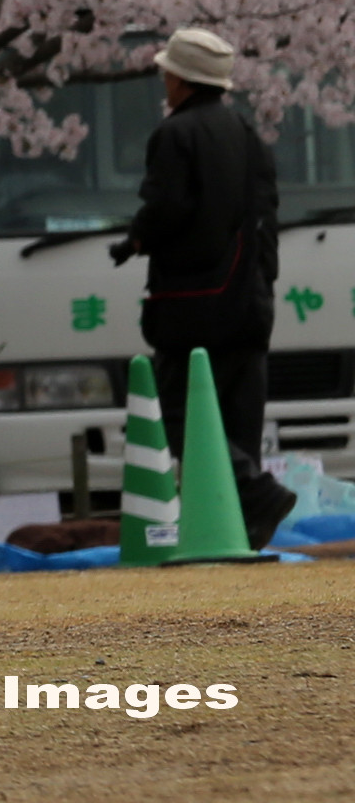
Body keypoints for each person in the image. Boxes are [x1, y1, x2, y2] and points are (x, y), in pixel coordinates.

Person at [116, 27, 292, 548]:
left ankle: (257, 495)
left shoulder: (176, 135)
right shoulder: (248, 134)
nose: (164, 82)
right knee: (241, 420)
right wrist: (263, 283)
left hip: (192, 307)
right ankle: (242, 531)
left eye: (167, 73)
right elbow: (266, 216)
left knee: (180, 412)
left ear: (182, 80)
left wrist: (136, 239)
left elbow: (166, 207)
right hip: (251, 301)